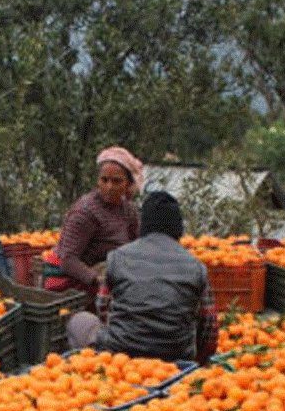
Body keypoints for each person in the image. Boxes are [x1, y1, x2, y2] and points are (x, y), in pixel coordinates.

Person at [66, 191, 218, 364]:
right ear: (178, 228)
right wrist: (200, 359)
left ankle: (91, 370)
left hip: (122, 352)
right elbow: (209, 325)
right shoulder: (196, 266)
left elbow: (102, 307)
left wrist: (130, 328)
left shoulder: (118, 257)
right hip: (176, 355)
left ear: (144, 225)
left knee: (78, 321)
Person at [41, 146, 143, 301]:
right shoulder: (86, 212)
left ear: (128, 183)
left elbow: (137, 247)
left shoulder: (129, 211)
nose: (109, 187)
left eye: (117, 181)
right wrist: (99, 281)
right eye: (104, 180)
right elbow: (68, 260)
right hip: (72, 284)